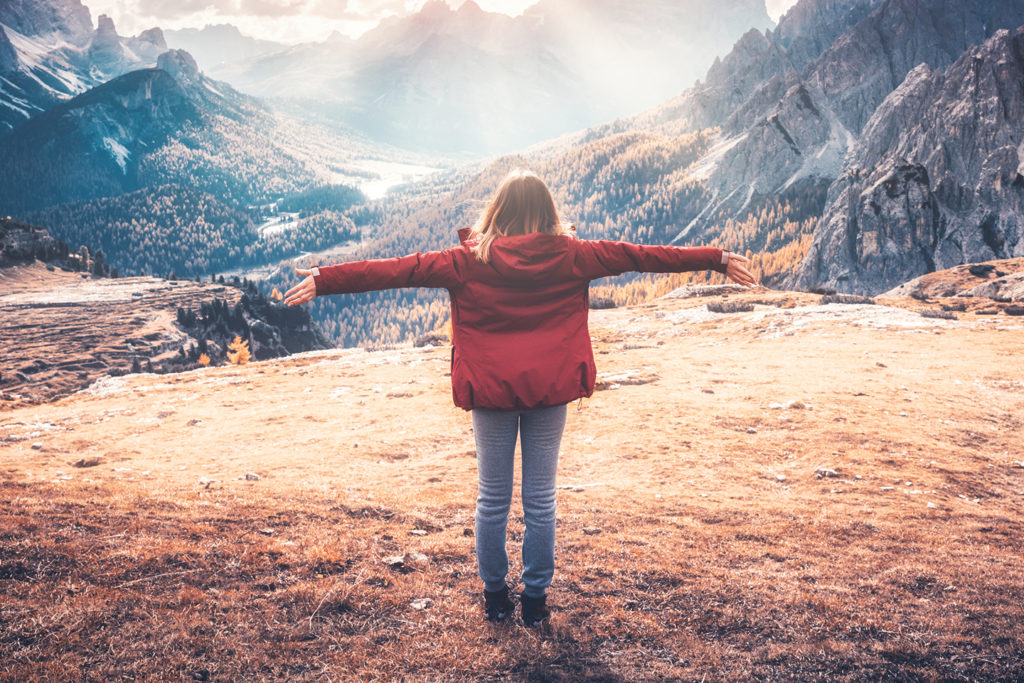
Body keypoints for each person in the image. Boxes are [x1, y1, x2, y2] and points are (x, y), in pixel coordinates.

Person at [284, 169, 757, 627]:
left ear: (498, 211)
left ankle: (495, 597)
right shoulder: (577, 255)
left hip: (490, 393)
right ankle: (534, 601)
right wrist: (714, 258)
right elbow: (643, 256)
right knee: (540, 501)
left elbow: (397, 270)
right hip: (549, 392)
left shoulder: (466, 261)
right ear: (548, 212)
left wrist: (326, 279)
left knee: (492, 500)